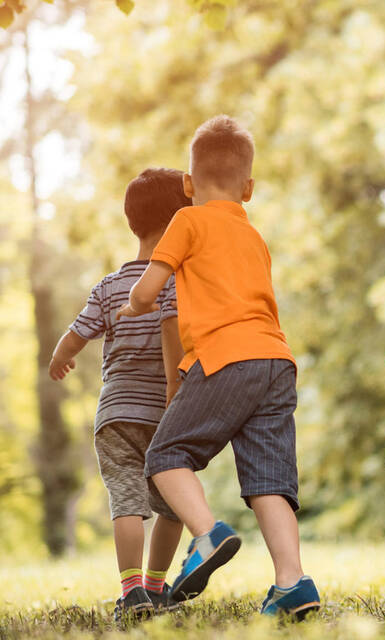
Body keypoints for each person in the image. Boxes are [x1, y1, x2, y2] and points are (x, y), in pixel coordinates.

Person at [117, 115, 320, 619]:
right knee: (270, 480)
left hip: (226, 357)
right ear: (248, 189)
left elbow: (150, 284)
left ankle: (207, 535)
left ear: (188, 185)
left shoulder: (187, 220)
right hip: (276, 360)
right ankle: (293, 583)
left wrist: (133, 307)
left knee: (164, 457)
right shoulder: (253, 236)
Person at [48, 168, 188, 620]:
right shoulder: (178, 281)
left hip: (115, 414)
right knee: (173, 506)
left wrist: (59, 358)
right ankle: (155, 586)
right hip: (165, 412)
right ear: (179, 221)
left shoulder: (109, 286)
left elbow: (76, 334)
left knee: (126, 500)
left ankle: (131, 592)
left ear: (134, 222)